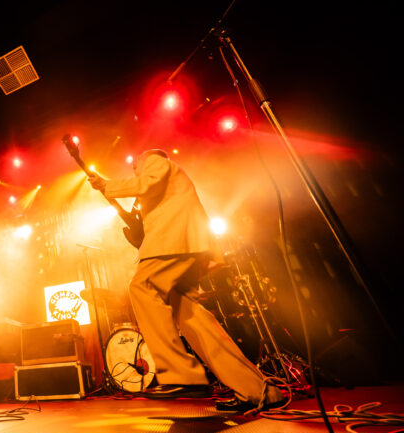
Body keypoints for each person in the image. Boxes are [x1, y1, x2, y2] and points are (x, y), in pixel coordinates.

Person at [87, 149, 285, 413]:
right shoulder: (165, 185)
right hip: (182, 247)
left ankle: (181, 374)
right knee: (193, 318)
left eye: (135, 164)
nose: (134, 168)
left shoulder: (155, 161)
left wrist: (106, 184)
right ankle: (260, 391)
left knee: (142, 287)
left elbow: (145, 183)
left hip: (175, 245)